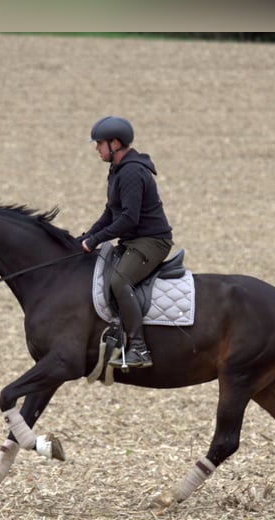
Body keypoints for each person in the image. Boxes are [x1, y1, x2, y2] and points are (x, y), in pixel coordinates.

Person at [79, 116, 174, 369]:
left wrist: (96, 240)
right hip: (135, 240)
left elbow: (129, 219)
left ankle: (139, 348)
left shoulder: (132, 172)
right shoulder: (117, 170)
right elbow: (111, 213)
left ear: (115, 143)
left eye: (99, 143)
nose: (96, 148)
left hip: (151, 242)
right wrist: (86, 238)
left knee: (119, 280)